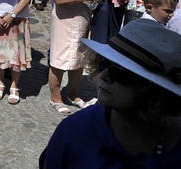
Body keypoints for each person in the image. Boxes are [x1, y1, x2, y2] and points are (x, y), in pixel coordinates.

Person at [41, 19, 181, 167]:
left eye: (120, 72)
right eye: (104, 63)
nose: (104, 75)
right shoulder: (76, 131)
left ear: (155, 90)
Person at [48, 0, 105, 115]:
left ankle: (74, 94)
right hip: (65, 21)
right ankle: (55, 97)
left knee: (78, 57)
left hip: (82, 20)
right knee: (60, 58)